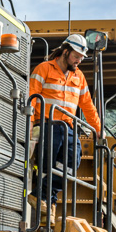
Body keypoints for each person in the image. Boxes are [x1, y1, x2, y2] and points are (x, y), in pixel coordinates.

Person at [29, 33, 103, 208]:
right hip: (45, 124)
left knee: (72, 162)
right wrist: (30, 123)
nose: (79, 61)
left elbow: (88, 105)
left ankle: (43, 197)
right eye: (76, 56)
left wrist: (98, 129)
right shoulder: (44, 68)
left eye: (81, 57)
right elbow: (31, 96)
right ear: (65, 52)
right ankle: (47, 202)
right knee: (48, 164)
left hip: (67, 127)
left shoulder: (79, 77)